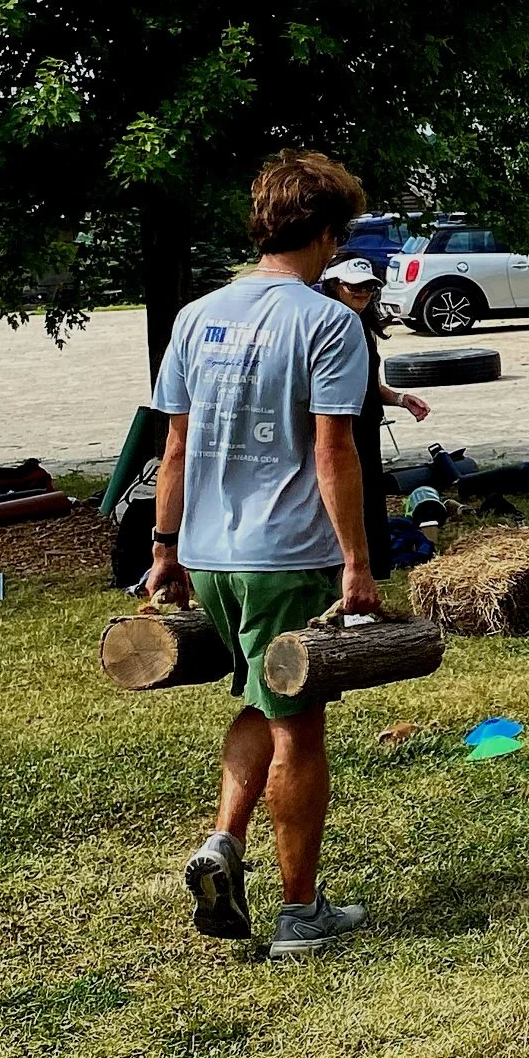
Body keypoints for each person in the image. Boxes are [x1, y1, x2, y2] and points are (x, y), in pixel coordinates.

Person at [143, 151, 380, 958]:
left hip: (209, 553)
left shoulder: (195, 316)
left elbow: (174, 447)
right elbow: (334, 451)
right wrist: (356, 562)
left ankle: (223, 843)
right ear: (325, 233)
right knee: (299, 728)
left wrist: (166, 547)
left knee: (259, 696)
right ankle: (300, 913)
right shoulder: (329, 322)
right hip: (286, 555)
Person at [318, 253, 431, 578]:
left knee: (368, 496)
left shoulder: (363, 327)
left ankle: (370, 568)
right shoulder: (325, 327)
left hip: (367, 427)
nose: (362, 293)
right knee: (341, 497)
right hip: (337, 428)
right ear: (333, 285)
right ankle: (341, 568)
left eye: (368, 286)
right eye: (353, 286)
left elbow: (369, 384)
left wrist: (400, 398)